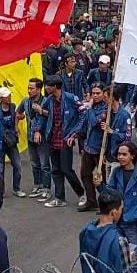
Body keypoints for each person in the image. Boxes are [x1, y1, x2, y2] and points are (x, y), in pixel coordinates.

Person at [96, 142, 137, 273]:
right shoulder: (116, 172)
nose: (120, 157)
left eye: (124, 154)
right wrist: (100, 186)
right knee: (118, 256)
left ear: (132, 156)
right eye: (119, 154)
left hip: (134, 224)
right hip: (117, 221)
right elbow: (110, 194)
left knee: (133, 258)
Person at [40, 76, 86, 208]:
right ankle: (60, 198)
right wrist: (38, 129)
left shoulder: (71, 98)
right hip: (52, 138)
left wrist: (76, 131)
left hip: (66, 138)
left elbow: (83, 113)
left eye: (48, 85)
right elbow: (44, 115)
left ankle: (81, 193)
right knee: (55, 169)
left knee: (66, 169)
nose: (46, 88)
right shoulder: (49, 100)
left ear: (55, 86)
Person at [17, 78, 50, 198]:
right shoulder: (26, 101)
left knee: (44, 164)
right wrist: (18, 122)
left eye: (31, 88)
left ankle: (46, 188)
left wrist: (41, 111)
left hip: (43, 138)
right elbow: (18, 113)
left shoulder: (46, 101)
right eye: (28, 88)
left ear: (39, 89)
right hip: (30, 137)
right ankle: (37, 185)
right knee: (34, 163)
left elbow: (52, 115)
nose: (29, 90)